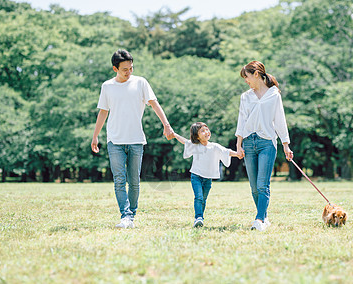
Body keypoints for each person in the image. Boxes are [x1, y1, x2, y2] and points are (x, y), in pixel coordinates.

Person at [91, 49, 174, 229]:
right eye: (125, 69)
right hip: (114, 140)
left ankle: (132, 214)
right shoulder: (107, 86)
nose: (129, 72)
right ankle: (125, 215)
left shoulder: (141, 83)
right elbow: (103, 111)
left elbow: (154, 103)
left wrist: (166, 125)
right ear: (115, 69)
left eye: (131, 68)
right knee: (119, 180)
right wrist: (95, 135)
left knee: (134, 180)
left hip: (136, 139)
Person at [235, 61, 293, 232]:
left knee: (262, 184)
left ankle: (259, 219)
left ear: (256, 75)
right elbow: (241, 121)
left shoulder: (274, 94)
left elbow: (280, 120)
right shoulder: (246, 96)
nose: (246, 81)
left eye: (246, 77)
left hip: (267, 142)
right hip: (248, 142)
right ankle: (264, 217)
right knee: (254, 187)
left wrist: (286, 145)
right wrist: (239, 144)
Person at [173, 122, 241, 228]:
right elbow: (185, 142)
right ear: (197, 136)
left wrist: (237, 154)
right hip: (196, 176)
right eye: (202, 131)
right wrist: (174, 135)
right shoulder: (195, 145)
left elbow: (226, 152)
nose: (206, 132)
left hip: (208, 178)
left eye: (207, 129)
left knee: (203, 199)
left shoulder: (214, 146)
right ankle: (198, 217)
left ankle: (200, 217)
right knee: (198, 197)